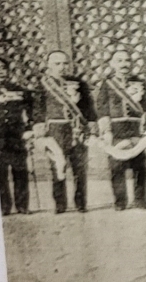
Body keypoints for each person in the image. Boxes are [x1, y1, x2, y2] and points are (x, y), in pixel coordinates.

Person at [32, 50, 97, 214]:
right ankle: (60, 204)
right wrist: (39, 124)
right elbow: (38, 107)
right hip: (56, 130)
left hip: (77, 128)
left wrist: (91, 123)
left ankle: (81, 203)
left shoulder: (78, 83)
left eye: (65, 63)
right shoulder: (43, 84)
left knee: (80, 167)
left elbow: (88, 106)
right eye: (57, 64)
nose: (62, 67)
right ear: (49, 65)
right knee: (57, 166)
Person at [96, 50, 146, 210]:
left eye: (127, 60)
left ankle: (140, 200)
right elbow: (102, 108)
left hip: (136, 128)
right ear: (112, 64)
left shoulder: (141, 83)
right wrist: (106, 130)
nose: (124, 64)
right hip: (116, 129)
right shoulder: (107, 84)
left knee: (139, 165)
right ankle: (120, 201)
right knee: (116, 166)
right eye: (119, 61)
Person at [0, 57, 34, 215]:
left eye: (2, 68)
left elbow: (30, 111)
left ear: (8, 70)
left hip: (16, 136)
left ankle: (22, 206)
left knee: (20, 171)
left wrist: (29, 129)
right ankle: (4, 207)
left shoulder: (20, 90)